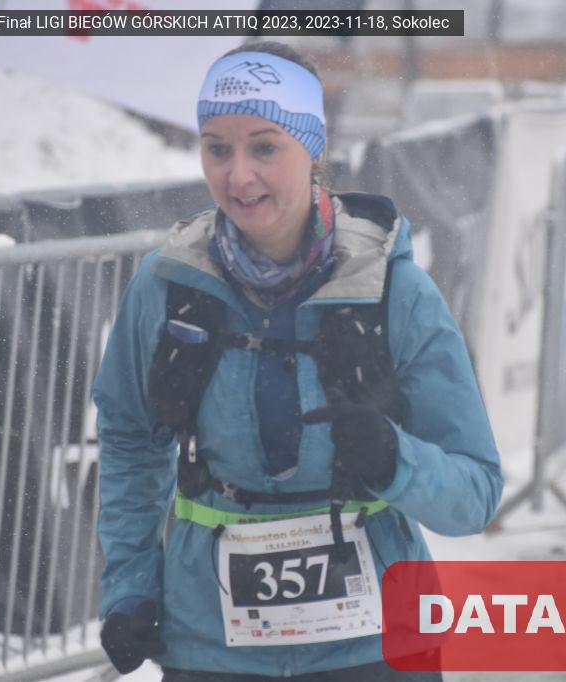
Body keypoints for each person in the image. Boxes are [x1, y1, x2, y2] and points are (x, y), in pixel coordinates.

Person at [93, 41, 502, 681]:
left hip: (375, 648)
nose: (238, 177)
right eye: (217, 148)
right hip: (213, 648)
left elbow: (475, 494)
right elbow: (128, 439)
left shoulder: (393, 291)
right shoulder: (167, 287)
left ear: (312, 147)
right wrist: (131, 588)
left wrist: (396, 461)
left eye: (265, 147)